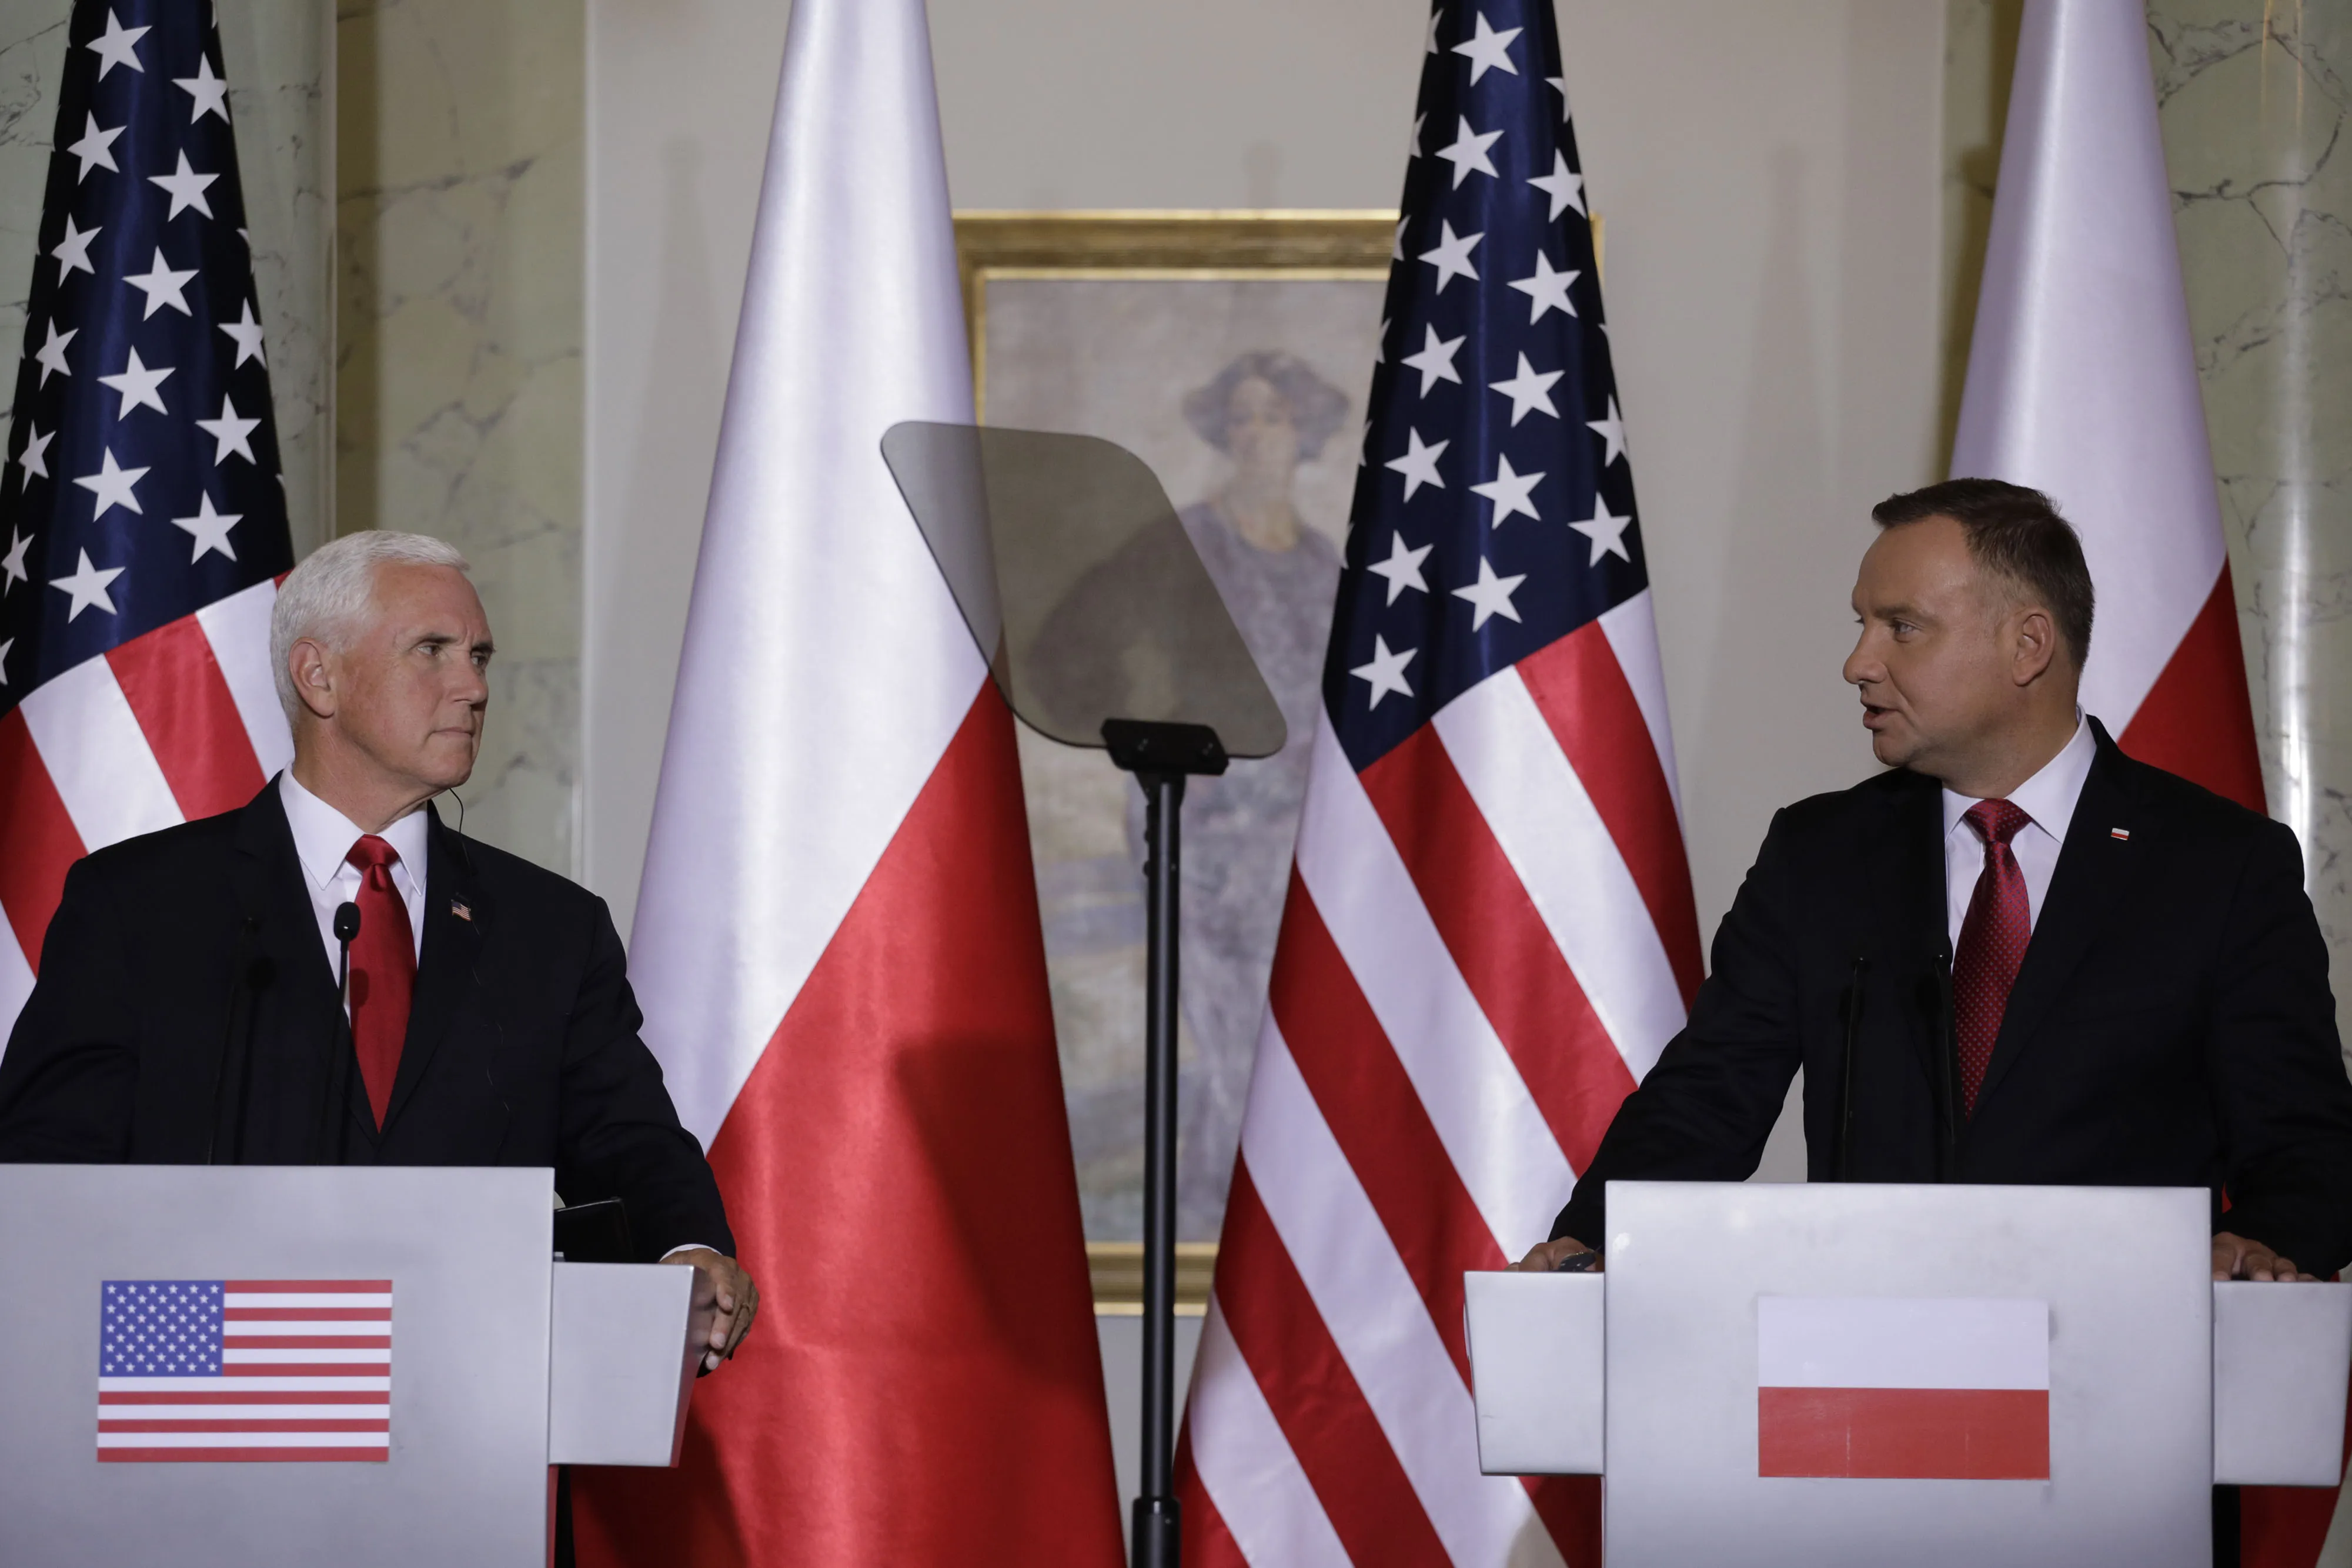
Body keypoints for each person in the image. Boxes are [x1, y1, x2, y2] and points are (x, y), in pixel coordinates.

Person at [1515, 479, 2352, 1288]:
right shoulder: (1820, 856)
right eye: (1863, 624)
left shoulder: (2220, 865)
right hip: (1874, 1373)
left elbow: (2306, 1145)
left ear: (2028, 644)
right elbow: (1706, 1099)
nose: (1857, 662)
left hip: (2123, 1381)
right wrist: (1591, 1242)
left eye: (1902, 627)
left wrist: (2262, 1246)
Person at [0, 531, 756, 1370]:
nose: (473, 686)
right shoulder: (140, 905)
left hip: (473, 1412)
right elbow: (46, 1175)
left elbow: (630, 1142)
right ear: (318, 676)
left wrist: (685, 1247)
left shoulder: (551, 928)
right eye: (432, 651)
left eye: (480, 656)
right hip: (196, 1413)